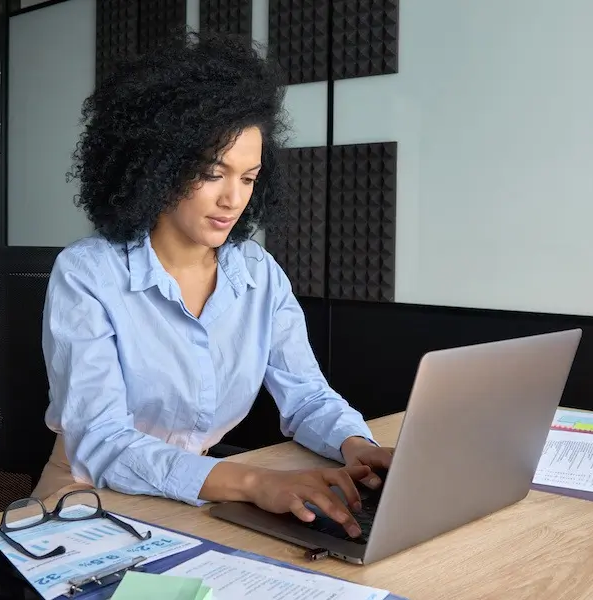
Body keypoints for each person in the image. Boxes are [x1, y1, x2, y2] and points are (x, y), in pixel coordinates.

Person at [33, 32, 392, 539]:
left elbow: (307, 396)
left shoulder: (259, 273)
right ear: (158, 166)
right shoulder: (88, 274)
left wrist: (357, 446)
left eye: (248, 178)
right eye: (211, 172)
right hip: (85, 497)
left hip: (197, 496)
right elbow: (104, 442)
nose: (232, 199)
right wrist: (253, 483)